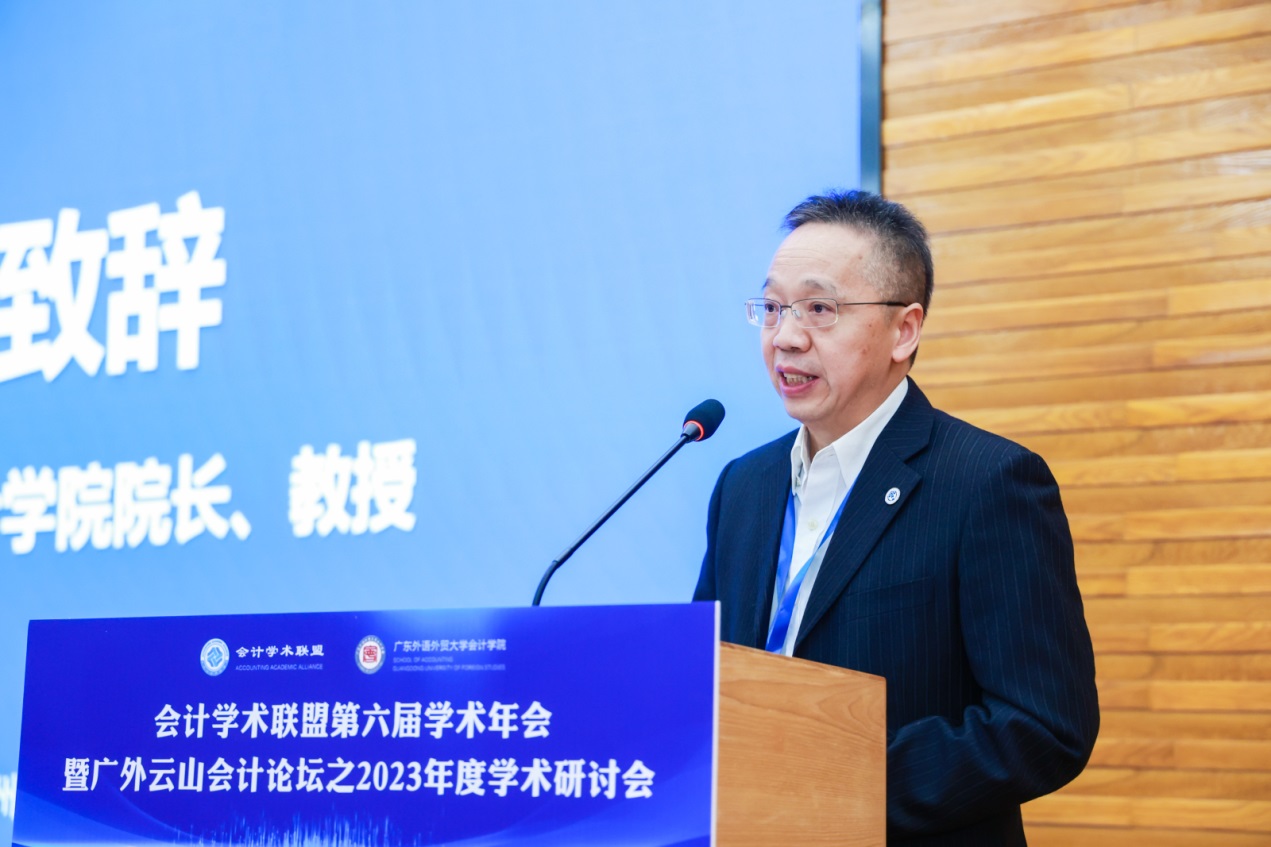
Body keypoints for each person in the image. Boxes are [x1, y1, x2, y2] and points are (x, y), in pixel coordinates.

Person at [694, 190, 1099, 846]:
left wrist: (833, 784)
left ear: (903, 330)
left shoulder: (986, 482)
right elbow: (707, 678)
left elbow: (1042, 726)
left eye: (819, 308)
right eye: (772, 308)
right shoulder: (744, 484)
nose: (785, 336)